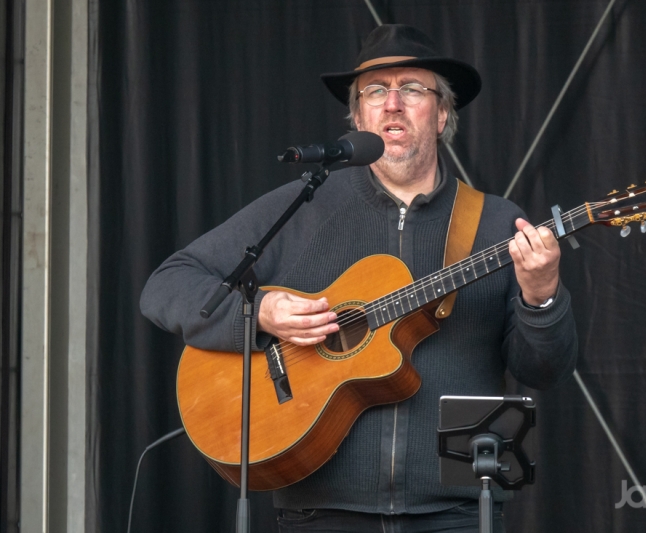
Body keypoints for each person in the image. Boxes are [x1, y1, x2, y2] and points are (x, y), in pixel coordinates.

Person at [141, 24, 578, 533]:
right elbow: (167, 284)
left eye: (412, 88)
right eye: (374, 91)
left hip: (457, 514)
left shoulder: (497, 224)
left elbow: (544, 370)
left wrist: (541, 296)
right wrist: (260, 313)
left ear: (441, 114)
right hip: (319, 512)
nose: (392, 104)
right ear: (358, 117)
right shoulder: (303, 206)